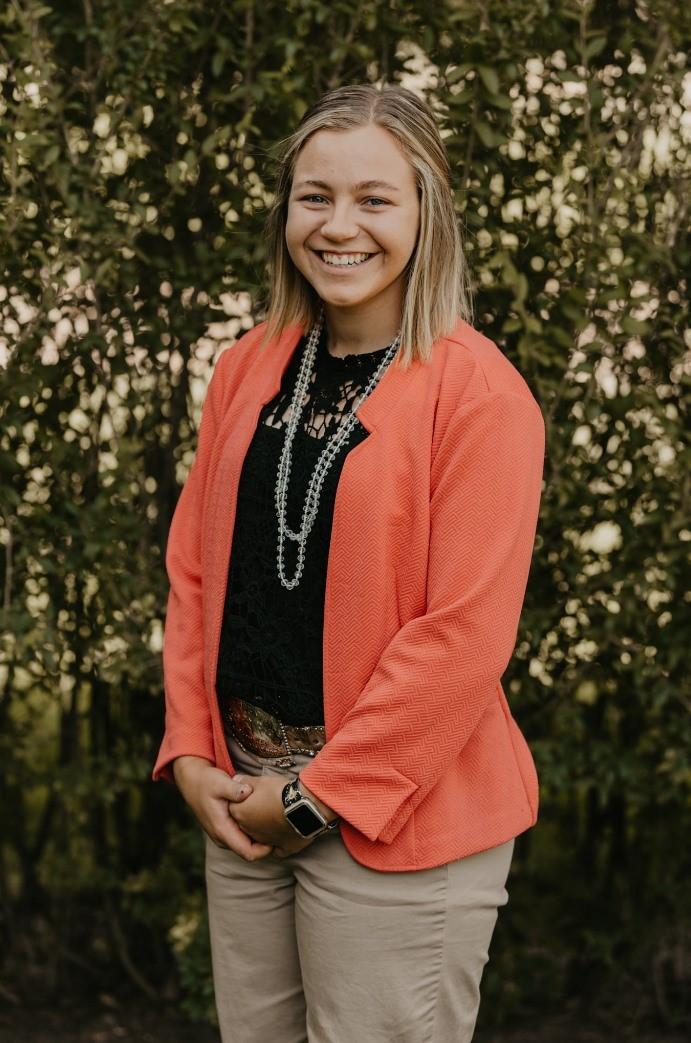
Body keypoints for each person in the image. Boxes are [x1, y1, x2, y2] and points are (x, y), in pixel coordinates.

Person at [152, 82, 545, 1043]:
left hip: (395, 822)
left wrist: (315, 796)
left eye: (374, 199)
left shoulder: (480, 396)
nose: (339, 226)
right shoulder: (247, 364)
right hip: (243, 801)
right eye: (313, 196)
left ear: (426, 213)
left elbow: (461, 640)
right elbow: (196, 574)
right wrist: (194, 750)